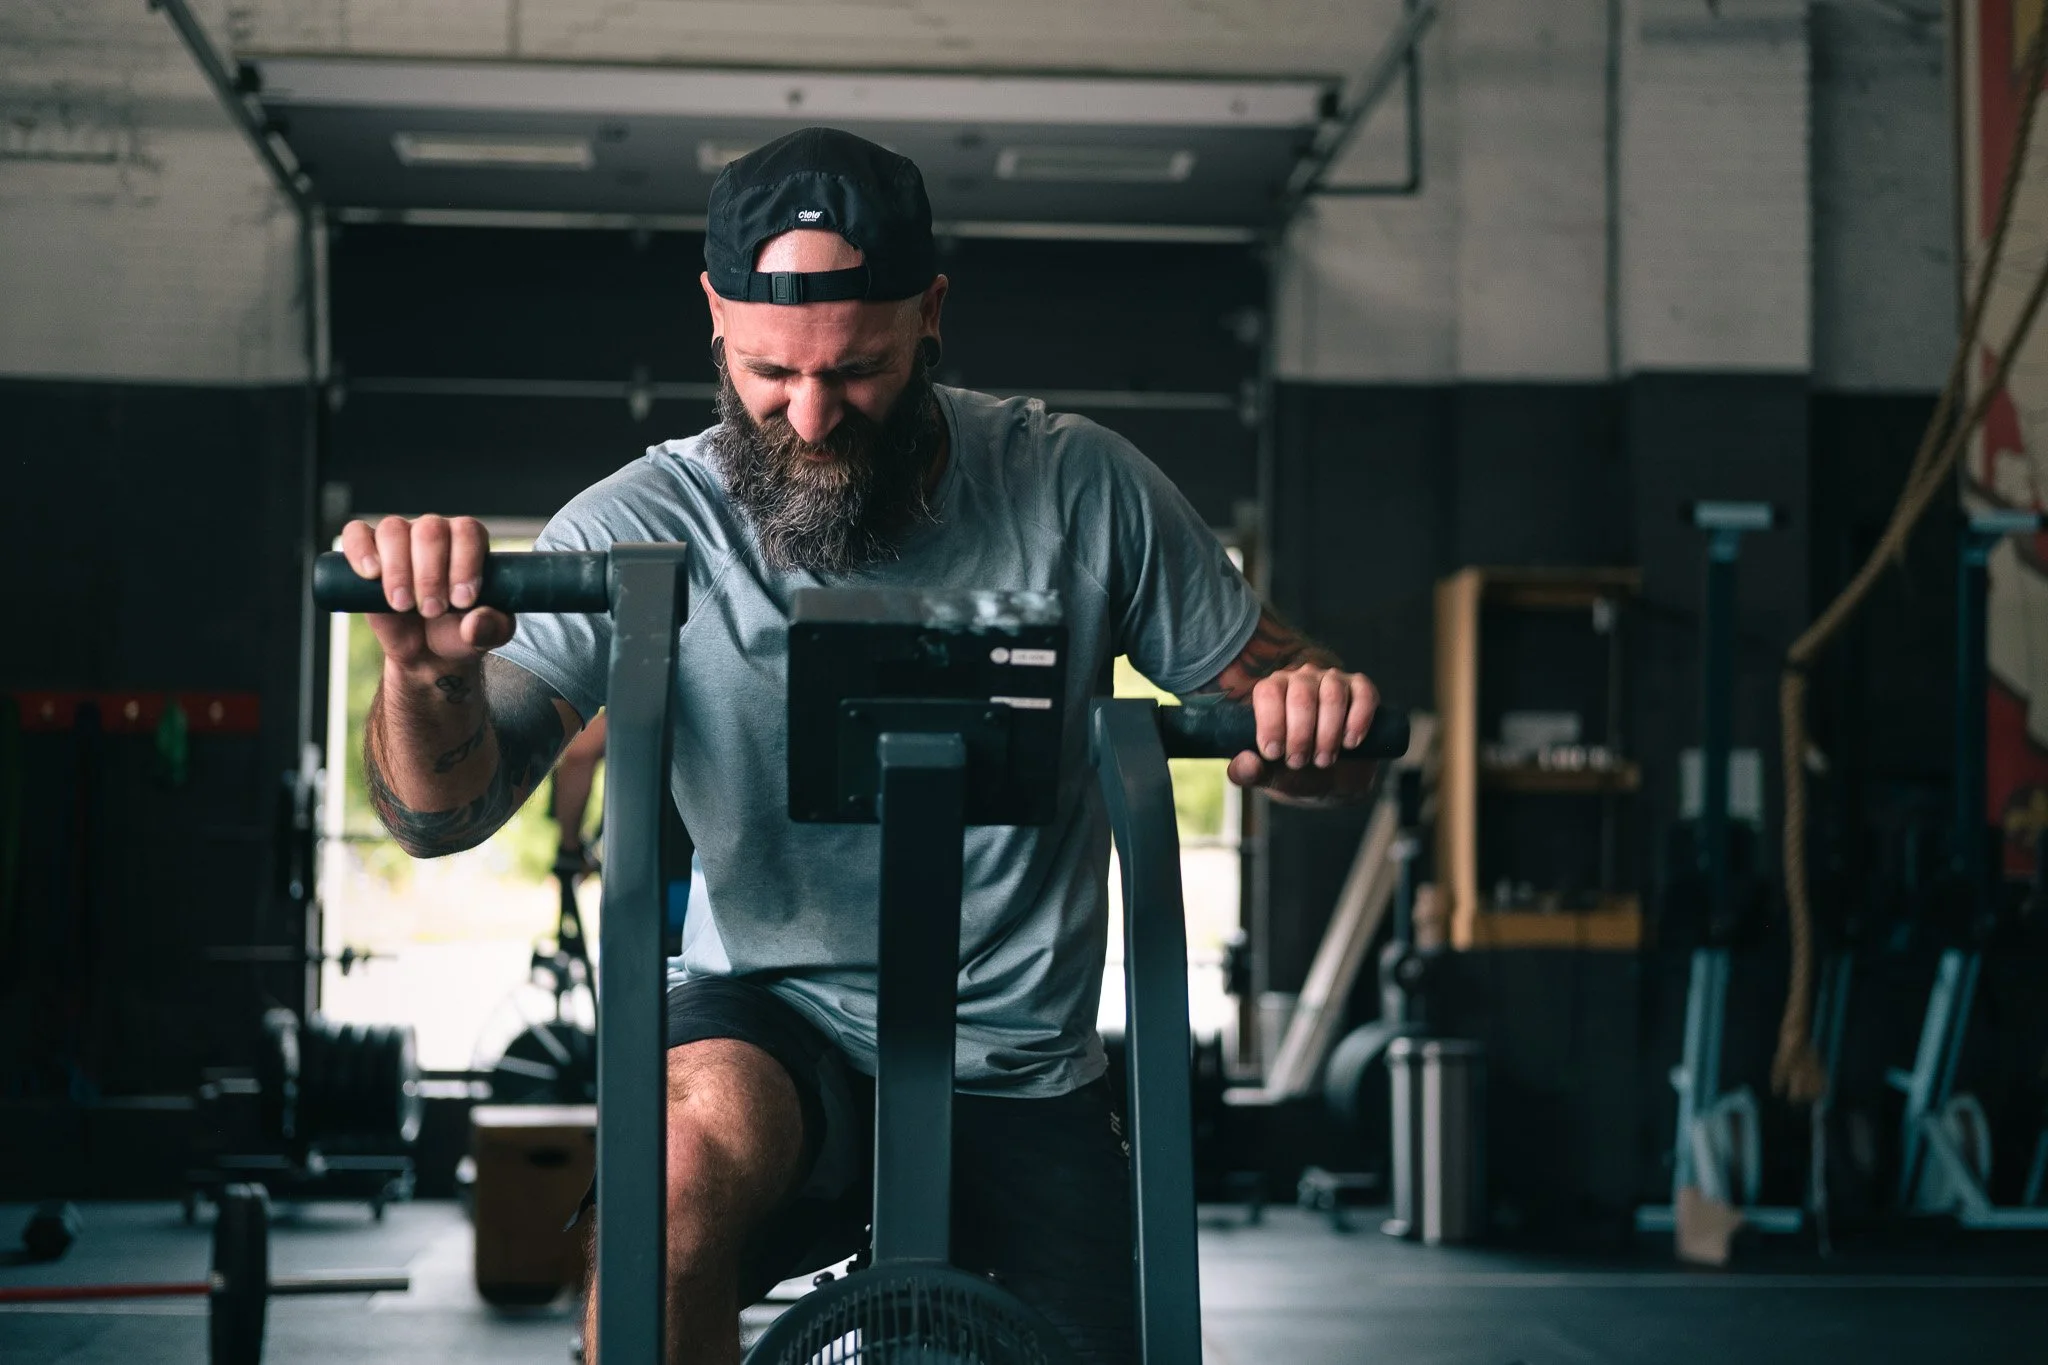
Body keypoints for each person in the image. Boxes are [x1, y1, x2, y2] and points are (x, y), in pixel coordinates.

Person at [341, 127, 1381, 1365]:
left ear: (931, 315)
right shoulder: (650, 517)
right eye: (771, 373)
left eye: (859, 369)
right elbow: (438, 812)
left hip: (1019, 1059)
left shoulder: (1079, 491)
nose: (814, 416)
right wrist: (422, 676)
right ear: (714, 318)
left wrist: (1319, 725)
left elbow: (1309, 717)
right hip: (768, 1024)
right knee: (667, 1177)